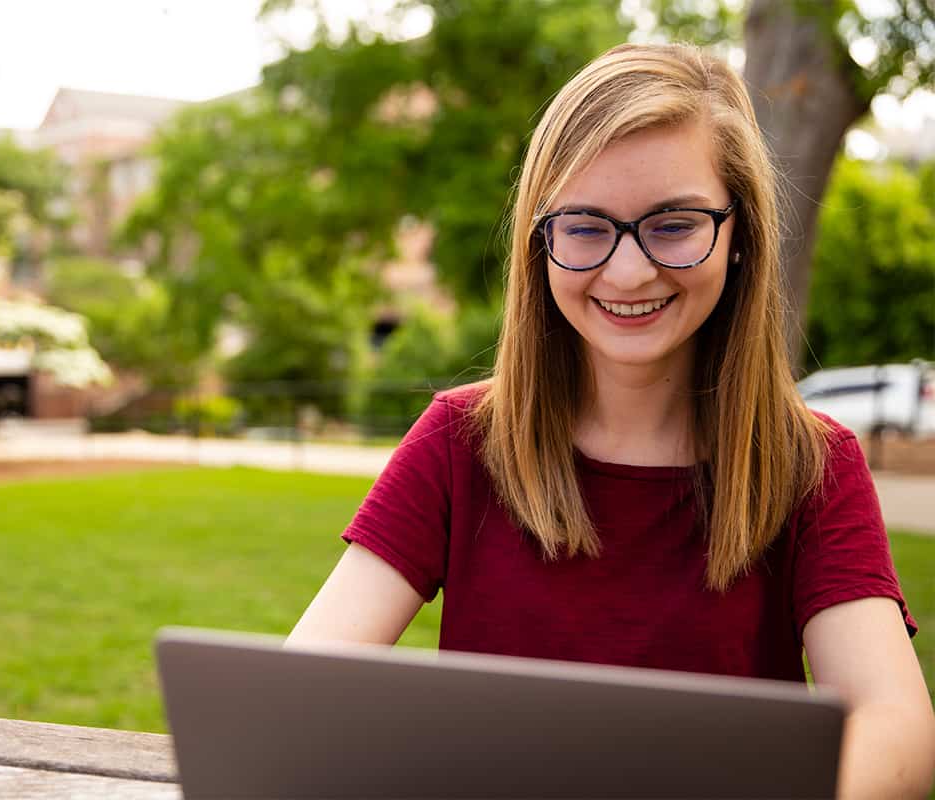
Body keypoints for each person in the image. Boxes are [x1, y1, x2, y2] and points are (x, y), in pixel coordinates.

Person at [287, 43, 935, 798]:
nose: (628, 272)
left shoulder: (811, 466)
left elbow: (896, 725)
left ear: (740, 237)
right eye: (586, 227)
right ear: (541, 244)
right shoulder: (459, 442)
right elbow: (304, 686)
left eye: (674, 224)